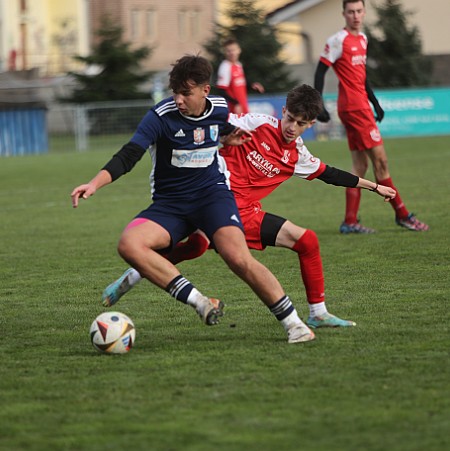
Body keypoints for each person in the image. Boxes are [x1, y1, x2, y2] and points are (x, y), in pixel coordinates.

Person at [102, 84, 397, 330]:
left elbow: (331, 174)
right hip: (215, 201)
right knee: (199, 246)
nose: (292, 127)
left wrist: (374, 186)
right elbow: (218, 123)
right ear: (283, 112)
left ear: (310, 124)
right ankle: (137, 271)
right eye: (290, 118)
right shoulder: (256, 123)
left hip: (247, 212)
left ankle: (317, 313)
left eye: (300, 123)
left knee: (305, 241)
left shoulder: (298, 157)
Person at [71, 55, 316, 344]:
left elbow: (220, 129)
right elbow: (129, 154)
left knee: (238, 258)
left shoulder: (221, 109)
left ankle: (295, 325)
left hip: (212, 196)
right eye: (174, 92)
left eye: (186, 93)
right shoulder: (159, 116)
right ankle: (200, 302)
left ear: (205, 91)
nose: (178, 99)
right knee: (129, 245)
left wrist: (228, 137)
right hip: (170, 205)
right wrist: (95, 183)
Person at [314, 0, 429, 234]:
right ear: (344, 14)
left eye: (359, 11)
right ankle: (403, 215)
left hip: (361, 106)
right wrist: (318, 103)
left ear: (364, 13)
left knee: (360, 166)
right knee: (381, 163)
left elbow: (361, 77)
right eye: (350, 12)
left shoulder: (363, 39)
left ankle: (350, 221)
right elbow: (320, 71)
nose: (355, 15)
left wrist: (375, 102)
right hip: (354, 109)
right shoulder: (338, 40)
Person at [216, 38, 265, 114]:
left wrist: (252, 85)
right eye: (229, 51)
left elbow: (240, 84)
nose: (232, 53)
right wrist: (236, 104)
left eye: (233, 50)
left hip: (243, 108)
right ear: (225, 52)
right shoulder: (225, 67)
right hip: (233, 111)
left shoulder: (238, 65)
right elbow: (221, 91)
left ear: (239, 50)